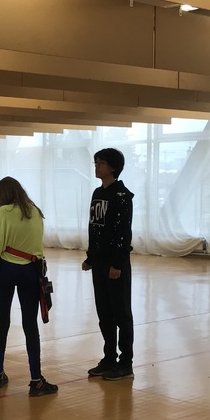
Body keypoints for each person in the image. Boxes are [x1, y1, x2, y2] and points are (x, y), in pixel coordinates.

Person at [0, 177, 58, 397]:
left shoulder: (4, 212)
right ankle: (36, 380)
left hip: (6, 271)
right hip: (30, 272)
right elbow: (37, 248)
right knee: (30, 325)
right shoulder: (36, 211)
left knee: (2, 321)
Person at [82, 148, 135, 381]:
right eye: (95, 163)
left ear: (113, 167)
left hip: (115, 265)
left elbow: (123, 233)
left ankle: (126, 363)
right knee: (104, 313)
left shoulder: (122, 196)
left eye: (101, 163)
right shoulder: (97, 193)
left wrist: (117, 263)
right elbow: (94, 228)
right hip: (100, 263)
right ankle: (109, 358)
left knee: (121, 313)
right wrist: (91, 257)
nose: (97, 167)